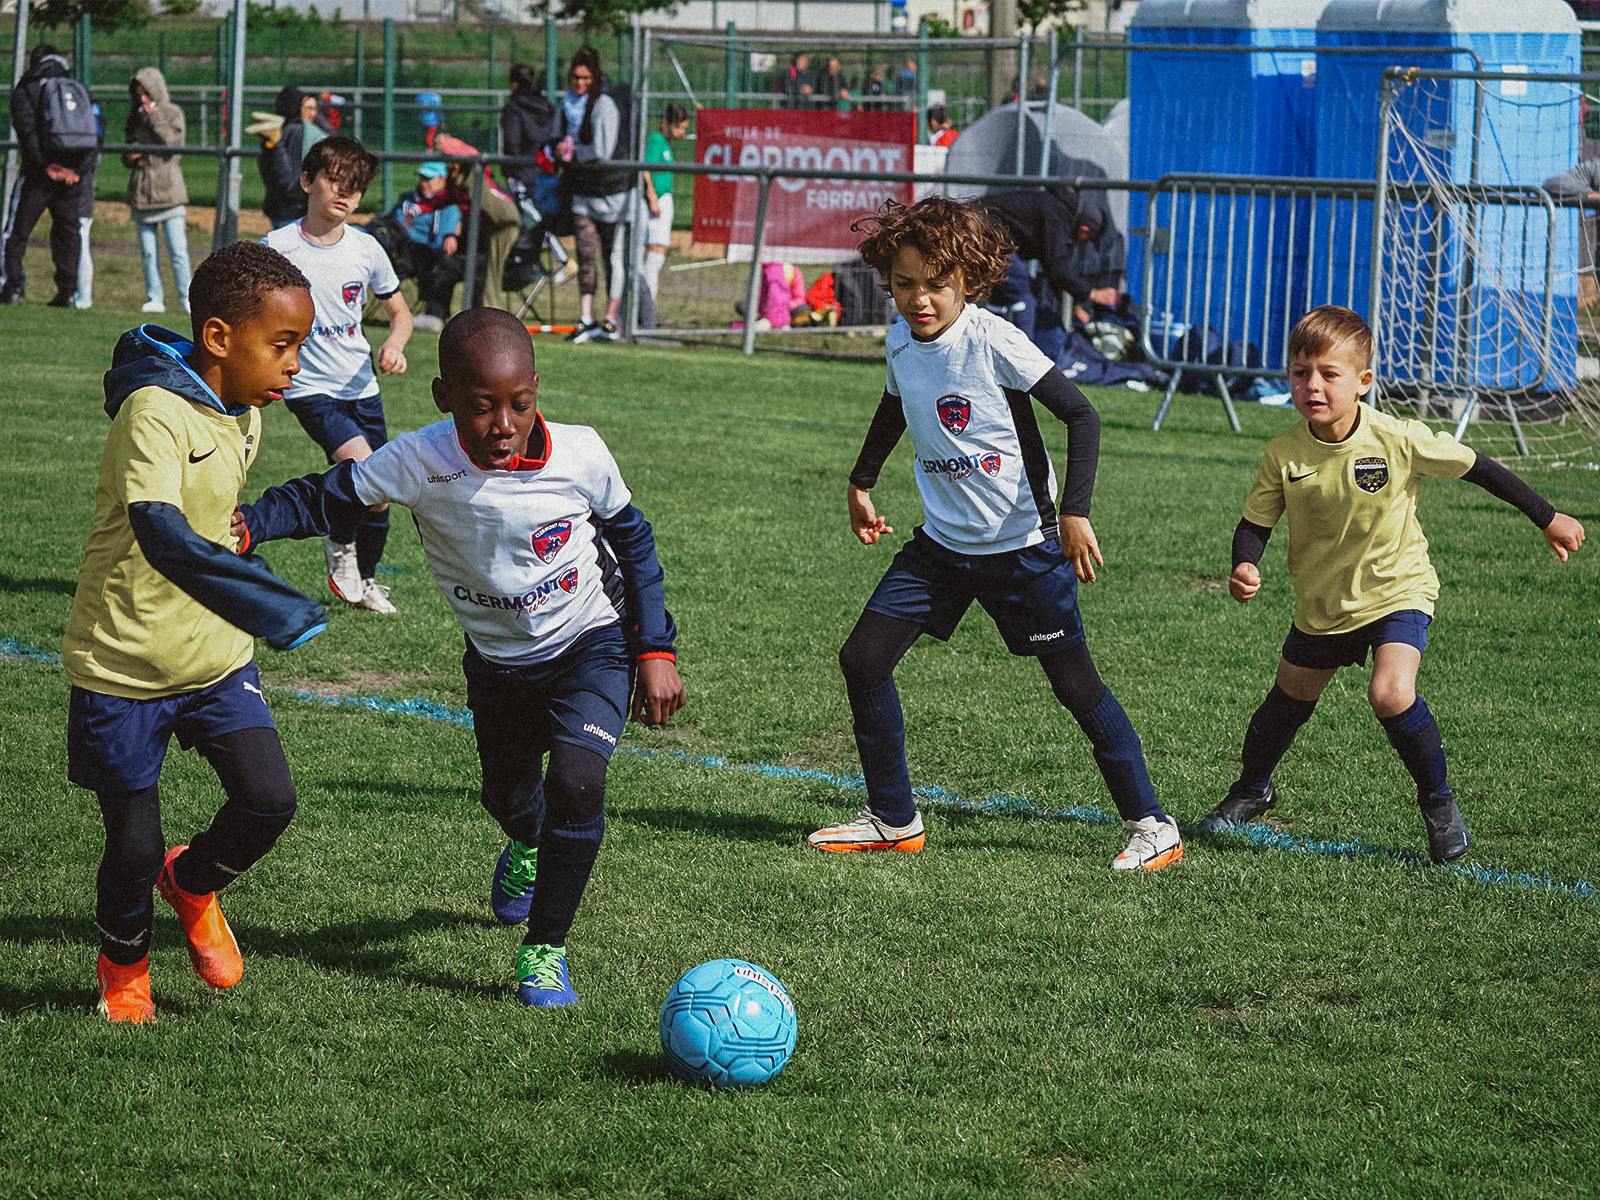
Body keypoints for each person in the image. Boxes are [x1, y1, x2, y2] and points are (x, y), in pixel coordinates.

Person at [233, 308, 687, 1007]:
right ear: (444, 397)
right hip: (497, 664)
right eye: (481, 407)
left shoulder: (581, 454)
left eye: (520, 404)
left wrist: (654, 647)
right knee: (507, 797)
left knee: (578, 783)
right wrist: (252, 525)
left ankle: (544, 949)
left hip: (590, 643)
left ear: (537, 390)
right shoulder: (419, 461)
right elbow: (329, 496)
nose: (504, 424)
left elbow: (635, 540)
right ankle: (527, 842)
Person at [808, 197, 1183, 871]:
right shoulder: (900, 342)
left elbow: (1082, 417)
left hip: (1024, 549)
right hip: (942, 548)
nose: (919, 299)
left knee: (1076, 687)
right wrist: (861, 483)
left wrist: (1074, 512)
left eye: (936, 284)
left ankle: (1153, 825)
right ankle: (894, 819)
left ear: (968, 280)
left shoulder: (994, 341)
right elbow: (895, 406)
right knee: (863, 659)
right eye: (904, 284)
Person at [1202, 305, 1586, 863]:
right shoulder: (1284, 453)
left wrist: (1546, 516)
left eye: (1329, 374)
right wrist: (1244, 564)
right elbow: (1254, 524)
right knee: (1285, 703)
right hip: (1324, 602)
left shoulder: (1397, 437)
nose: (1313, 386)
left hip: (1397, 589)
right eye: (1300, 373)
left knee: (1390, 693)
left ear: (1363, 381)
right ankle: (1252, 788)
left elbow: (1478, 467)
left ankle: (1439, 804)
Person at [64, 241, 328, 1024]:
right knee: (132, 847)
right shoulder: (152, 412)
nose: (294, 366)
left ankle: (194, 882)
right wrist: (270, 602)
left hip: (215, 658)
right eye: (282, 346)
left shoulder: (245, 412)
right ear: (218, 337)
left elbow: (214, 519)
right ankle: (124, 970)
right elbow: (161, 533)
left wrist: (251, 532)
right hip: (125, 666)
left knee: (269, 800)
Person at [263, 136, 413, 614]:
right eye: (335, 180)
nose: (345, 193)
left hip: (360, 384)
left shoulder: (367, 249)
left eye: (356, 186)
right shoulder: (278, 248)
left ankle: (365, 581)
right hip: (308, 387)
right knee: (364, 467)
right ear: (307, 181)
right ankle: (340, 540)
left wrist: (394, 344)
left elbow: (401, 313)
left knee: (381, 491)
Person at [1, 43, 101, 307]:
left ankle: (10, 287)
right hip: (72, 177)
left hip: (38, 175)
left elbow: (27, 133)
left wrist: (46, 166)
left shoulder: (27, 87)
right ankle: (67, 292)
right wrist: (78, 171)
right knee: (68, 233)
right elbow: (97, 130)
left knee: (16, 232)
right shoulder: (77, 87)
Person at [555, 47, 634, 343]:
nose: (580, 83)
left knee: (613, 257)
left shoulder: (604, 105)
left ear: (595, 77)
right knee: (585, 255)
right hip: (583, 192)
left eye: (586, 78)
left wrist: (573, 153)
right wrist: (556, 149)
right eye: (575, 77)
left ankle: (611, 319)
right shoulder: (567, 103)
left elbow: (602, 151)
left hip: (614, 191)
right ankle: (586, 318)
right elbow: (557, 136)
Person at [123, 67, 191, 315]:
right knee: (149, 253)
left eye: (147, 94)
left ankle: (187, 298)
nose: (143, 100)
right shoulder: (134, 116)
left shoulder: (173, 113)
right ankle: (155, 298)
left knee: (178, 251)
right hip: (142, 192)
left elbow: (174, 145)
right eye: (139, 95)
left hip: (169, 191)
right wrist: (129, 156)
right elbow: (127, 149)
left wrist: (155, 118)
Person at [435, 133, 524, 314]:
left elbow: (473, 154)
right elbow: (440, 199)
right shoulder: (456, 185)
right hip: (487, 229)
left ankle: (490, 315)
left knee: (492, 275)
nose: (448, 164)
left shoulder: (476, 173)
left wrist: (452, 144)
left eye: (451, 160)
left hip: (505, 223)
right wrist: (416, 209)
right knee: (470, 268)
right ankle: (475, 314)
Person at [383, 161, 461, 330]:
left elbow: (439, 244)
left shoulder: (448, 206)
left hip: (423, 256)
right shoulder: (406, 199)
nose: (424, 183)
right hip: (395, 250)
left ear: (442, 179)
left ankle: (433, 315)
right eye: (422, 178)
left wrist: (406, 232)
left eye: (429, 179)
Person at [638, 103, 688, 330]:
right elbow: (645, 169)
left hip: (663, 201)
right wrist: (652, 195)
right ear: (666, 123)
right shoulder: (655, 141)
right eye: (678, 127)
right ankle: (645, 311)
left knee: (656, 256)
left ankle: (646, 310)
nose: (681, 133)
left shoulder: (663, 143)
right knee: (654, 256)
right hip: (657, 203)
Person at [256, 86, 326, 229]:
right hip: (293, 209)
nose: (313, 114)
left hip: (279, 207)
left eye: (315, 109)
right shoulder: (298, 131)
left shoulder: (282, 129)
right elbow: (289, 178)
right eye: (308, 108)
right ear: (296, 108)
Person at [501, 63, 558, 193]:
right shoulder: (547, 106)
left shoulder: (513, 108)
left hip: (521, 174)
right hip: (546, 170)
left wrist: (508, 171)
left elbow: (512, 144)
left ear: (514, 84)